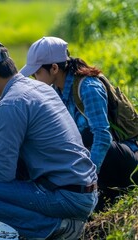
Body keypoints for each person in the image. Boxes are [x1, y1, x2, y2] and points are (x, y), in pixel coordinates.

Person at [0, 39, 98, 240]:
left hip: (68, 198)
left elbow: (2, 173)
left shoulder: (9, 104)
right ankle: (49, 225)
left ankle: (55, 228)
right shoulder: (40, 88)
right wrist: (1, 151)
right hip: (87, 193)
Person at [20, 36, 138, 212]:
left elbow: (103, 136)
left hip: (124, 158)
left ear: (53, 68)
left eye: (36, 73)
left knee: (87, 136)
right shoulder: (56, 91)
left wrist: (87, 178)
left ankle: (92, 191)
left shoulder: (88, 87)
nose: (34, 78)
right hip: (97, 160)